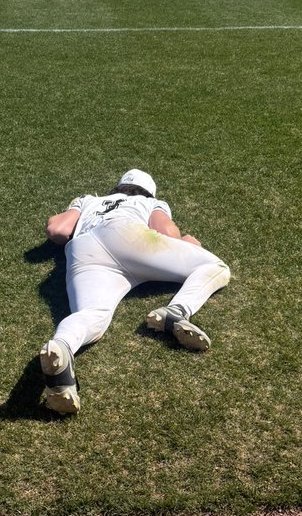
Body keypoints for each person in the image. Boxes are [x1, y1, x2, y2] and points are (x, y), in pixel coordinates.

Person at [39, 169, 231, 415]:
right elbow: (167, 233)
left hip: (84, 248)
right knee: (215, 266)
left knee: (93, 315)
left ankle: (62, 345)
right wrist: (186, 242)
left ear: (117, 187)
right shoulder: (150, 201)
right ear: (148, 191)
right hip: (129, 236)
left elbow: (58, 230)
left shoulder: (89, 200)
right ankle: (176, 311)